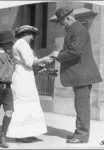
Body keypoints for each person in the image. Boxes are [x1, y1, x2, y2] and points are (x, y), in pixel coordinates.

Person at [49, 7, 102, 143]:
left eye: (62, 22)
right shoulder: (75, 29)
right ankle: (79, 132)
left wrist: (58, 55)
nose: (61, 25)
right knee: (80, 105)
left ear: (69, 18)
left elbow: (75, 51)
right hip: (81, 75)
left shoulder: (78, 30)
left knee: (81, 106)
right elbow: (74, 50)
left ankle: (82, 135)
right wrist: (60, 53)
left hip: (82, 75)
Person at [6, 25, 53, 142]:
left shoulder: (19, 44)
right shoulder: (22, 44)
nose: (32, 38)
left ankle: (27, 132)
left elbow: (27, 62)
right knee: (24, 104)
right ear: (26, 34)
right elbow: (29, 62)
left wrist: (39, 65)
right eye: (31, 35)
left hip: (24, 75)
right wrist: (44, 59)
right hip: (23, 77)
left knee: (28, 104)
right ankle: (21, 135)